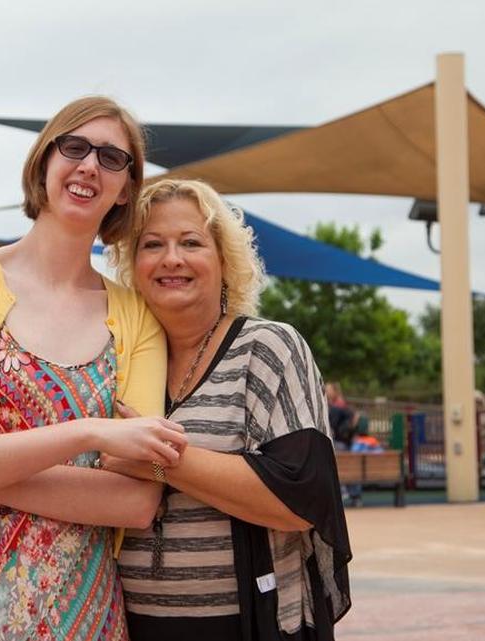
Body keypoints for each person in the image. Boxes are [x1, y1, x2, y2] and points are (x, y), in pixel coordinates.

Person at [0, 96, 186, 640]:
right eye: (73, 147)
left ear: (126, 188)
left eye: (112, 158)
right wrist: (91, 431)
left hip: (82, 612)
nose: (89, 166)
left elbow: (135, 500)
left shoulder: (137, 316)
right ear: (44, 162)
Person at [105, 179, 351, 641]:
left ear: (224, 261)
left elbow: (301, 498)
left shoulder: (268, 348)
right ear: (132, 265)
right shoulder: (118, 361)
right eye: (152, 244)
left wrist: (157, 463)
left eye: (191, 243)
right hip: (131, 625)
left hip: (250, 625)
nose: (171, 258)